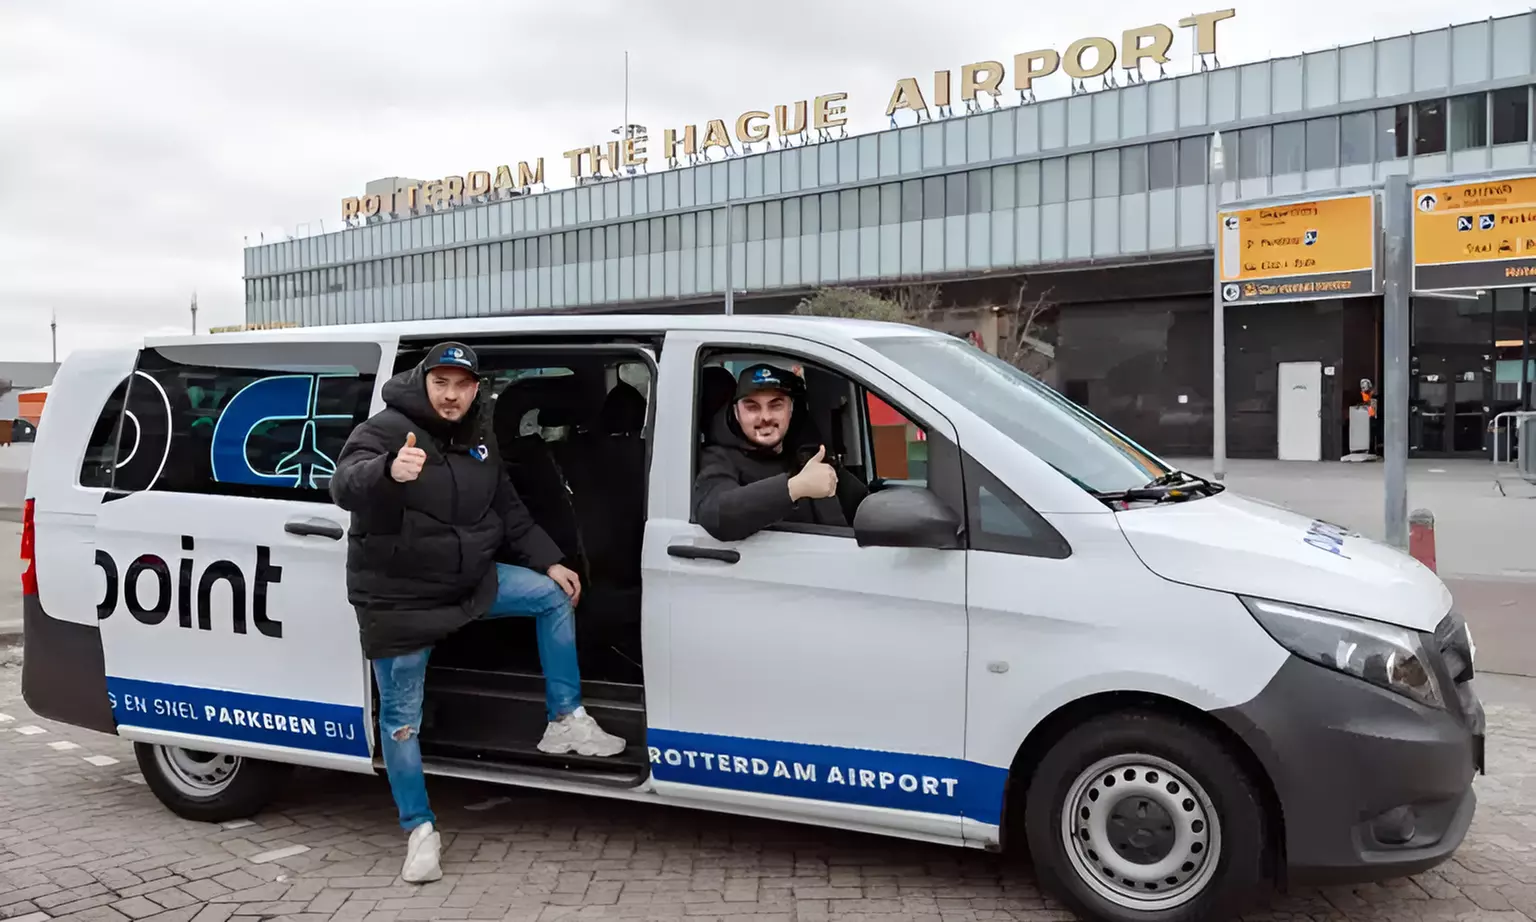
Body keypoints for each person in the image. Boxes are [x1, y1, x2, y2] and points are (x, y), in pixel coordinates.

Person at [329, 342, 624, 884]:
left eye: (462, 385)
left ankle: (565, 720)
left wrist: (550, 561)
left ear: (475, 390)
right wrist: (389, 472)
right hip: (402, 597)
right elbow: (343, 484)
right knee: (400, 722)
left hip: (469, 581)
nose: (451, 394)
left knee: (552, 596)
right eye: (441, 382)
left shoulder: (480, 436)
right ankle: (419, 831)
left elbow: (508, 510)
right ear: (424, 382)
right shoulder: (388, 429)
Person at [692, 362, 868, 541]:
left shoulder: (809, 455)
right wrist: (796, 487)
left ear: (791, 410)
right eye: (752, 407)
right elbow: (718, 515)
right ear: (736, 412)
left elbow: (867, 507)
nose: (765, 417)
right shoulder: (718, 458)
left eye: (776, 405)